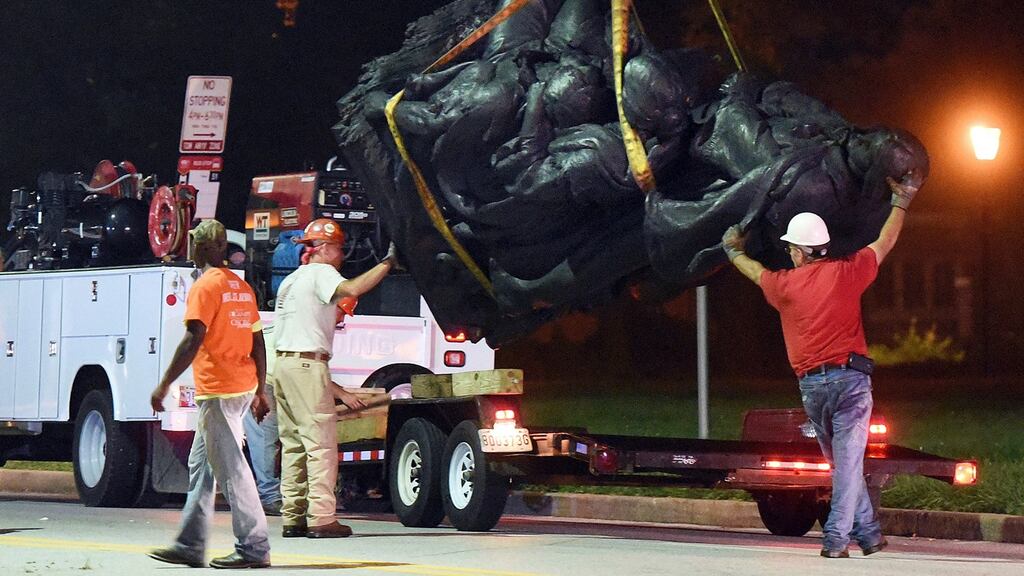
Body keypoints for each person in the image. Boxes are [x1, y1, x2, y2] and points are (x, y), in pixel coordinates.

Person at [722, 174, 920, 558]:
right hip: (851, 384)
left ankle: (862, 536)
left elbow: (753, 271)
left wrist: (733, 251)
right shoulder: (849, 271)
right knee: (846, 466)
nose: (790, 254)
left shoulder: (785, 286)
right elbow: (886, 241)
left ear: (799, 251)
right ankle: (841, 537)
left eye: (792, 249)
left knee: (843, 464)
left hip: (813, 390)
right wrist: (902, 201)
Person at [147, 219, 272, 569]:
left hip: (219, 391)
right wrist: (260, 390)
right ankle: (190, 543)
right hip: (242, 386)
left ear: (201, 248)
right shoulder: (241, 287)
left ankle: (254, 547)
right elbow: (258, 341)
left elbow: (193, 338)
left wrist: (165, 383)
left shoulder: (205, 286)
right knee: (201, 466)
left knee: (231, 469)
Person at [273, 218, 398, 538]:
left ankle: (293, 516)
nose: (342, 256)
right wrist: (387, 263)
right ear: (325, 248)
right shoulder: (322, 273)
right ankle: (322, 518)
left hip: (283, 368)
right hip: (306, 366)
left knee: (294, 447)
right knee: (321, 446)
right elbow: (353, 288)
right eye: (340, 249)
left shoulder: (292, 280)